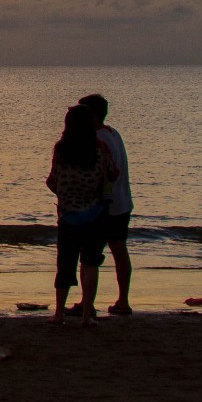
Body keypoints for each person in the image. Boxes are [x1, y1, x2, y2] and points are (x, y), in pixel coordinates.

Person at [46, 104, 116, 326]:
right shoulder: (100, 148)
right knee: (90, 263)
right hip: (95, 213)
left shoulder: (61, 149)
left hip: (68, 214)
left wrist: (65, 195)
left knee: (65, 264)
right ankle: (87, 315)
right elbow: (113, 173)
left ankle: (59, 313)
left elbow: (53, 180)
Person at [79, 94, 134, 314]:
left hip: (104, 205)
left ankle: (87, 302)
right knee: (119, 249)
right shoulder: (113, 134)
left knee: (90, 254)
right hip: (122, 202)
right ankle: (122, 300)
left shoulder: (97, 139)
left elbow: (105, 172)